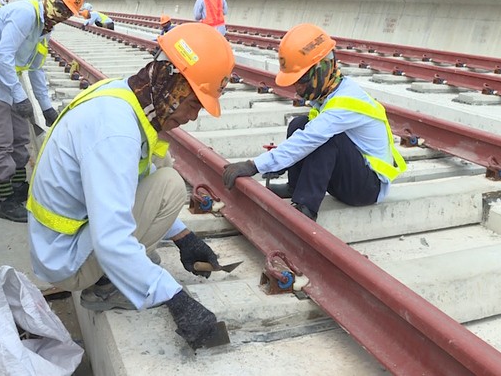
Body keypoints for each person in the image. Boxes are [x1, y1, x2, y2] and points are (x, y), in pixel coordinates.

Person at [26, 22, 235, 350]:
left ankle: (120, 274)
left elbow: (134, 182)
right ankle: (108, 287)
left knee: (161, 167)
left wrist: (184, 238)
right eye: (194, 103)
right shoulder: (116, 132)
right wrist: (175, 298)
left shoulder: (126, 97)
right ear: (172, 84)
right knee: (169, 184)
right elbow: (111, 239)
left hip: (61, 242)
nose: (193, 117)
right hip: (65, 261)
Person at [222, 23, 407, 221]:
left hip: (367, 188)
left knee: (325, 139)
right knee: (299, 124)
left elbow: (310, 138)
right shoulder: (331, 90)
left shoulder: (346, 102)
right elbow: (305, 133)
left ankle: (306, 208)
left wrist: (255, 165)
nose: (298, 88)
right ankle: (296, 186)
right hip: (351, 176)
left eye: (301, 80)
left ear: (321, 70)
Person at [0, 0, 83, 223]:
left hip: (5, 80)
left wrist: (46, 107)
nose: (62, 15)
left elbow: (36, 69)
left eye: (67, 13)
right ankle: (6, 201)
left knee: (21, 136)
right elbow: (3, 56)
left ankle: (19, 188)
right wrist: (19, 96)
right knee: (2, 139)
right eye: (61, 8)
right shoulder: (25, 15)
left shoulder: (44, 30)